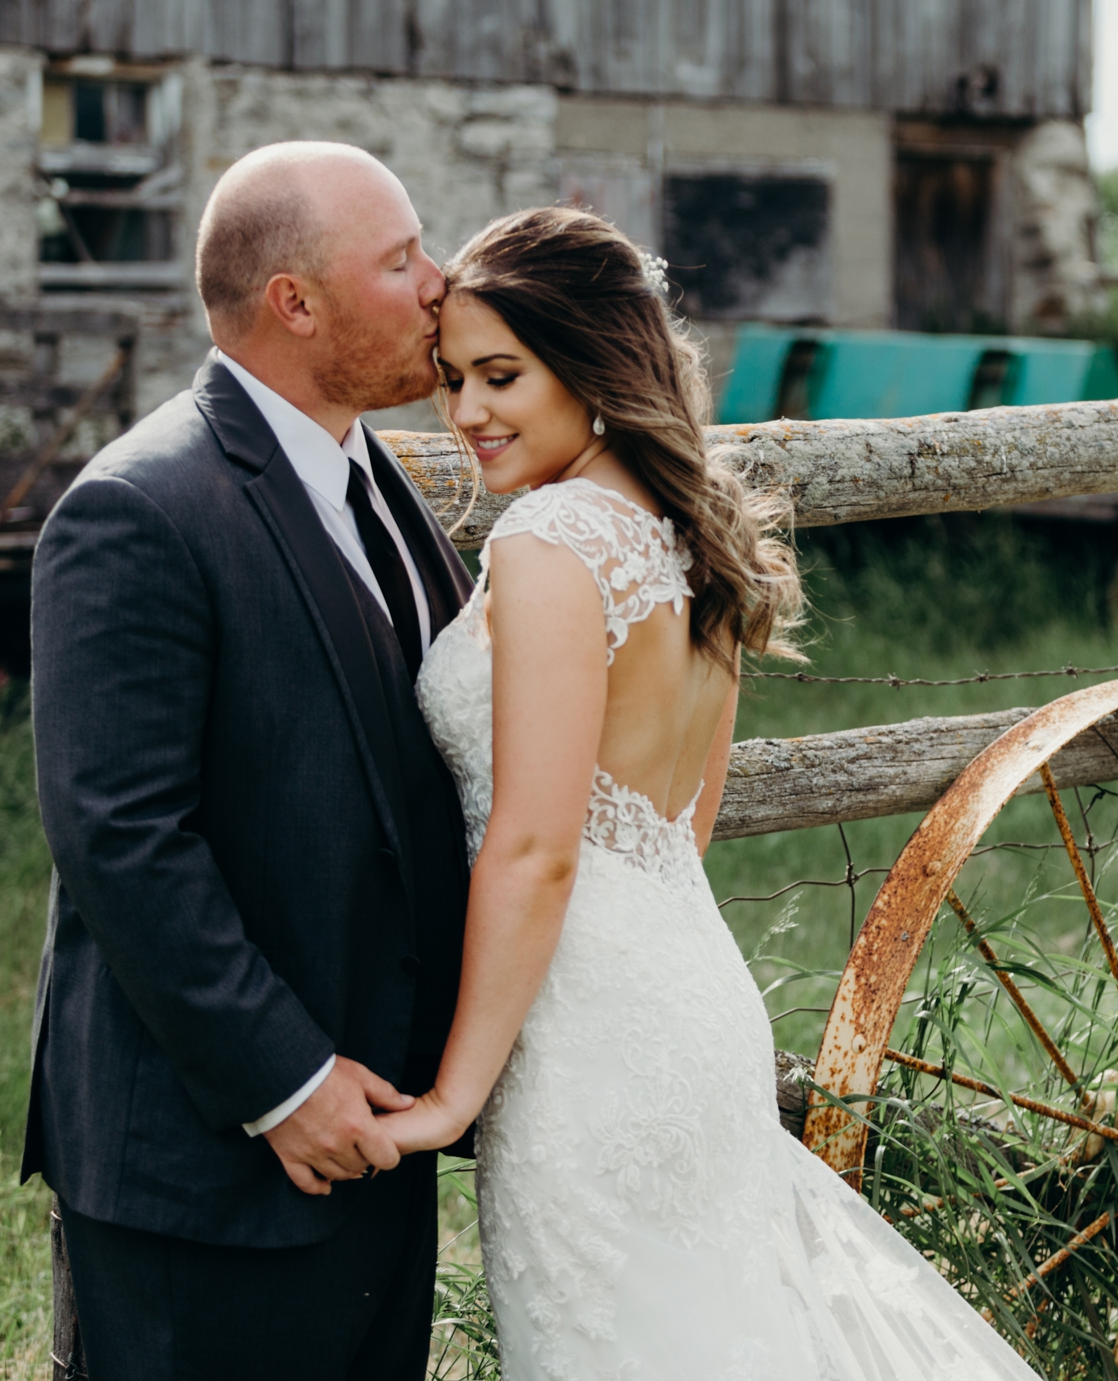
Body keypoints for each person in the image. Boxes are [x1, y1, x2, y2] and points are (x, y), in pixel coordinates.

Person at [377, 207, 1044, 1379]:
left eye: (500, 375)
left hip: (583, 1037)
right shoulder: (694, 535)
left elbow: (537, 849)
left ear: (592, 367)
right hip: (689, 1003)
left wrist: (451, 1096)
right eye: (449, 379)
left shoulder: (549, 540)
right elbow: (682, 819)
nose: (467, 412)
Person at [24, 141, 475, 1379]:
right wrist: (283, 1080)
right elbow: (119, 832)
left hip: (379, 1145)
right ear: (296, 302)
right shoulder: (138, 509)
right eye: (400, 260)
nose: (439, 283)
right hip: (208, 1163)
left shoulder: (382, 483)